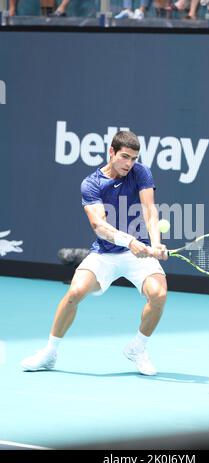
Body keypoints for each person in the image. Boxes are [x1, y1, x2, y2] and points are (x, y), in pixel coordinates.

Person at [21, 130, 168, 376]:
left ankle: (137, 348)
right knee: (75, 292)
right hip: (106, 254)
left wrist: (156, 244)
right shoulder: (91, 184)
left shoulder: (140, 172)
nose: (129, 163)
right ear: (111, 152)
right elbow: (99, 226)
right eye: (124, 157)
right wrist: (129, 240)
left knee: (159, 294)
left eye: (133, 158)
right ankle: (50, 352)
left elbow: (150, 211)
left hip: (138, 254)